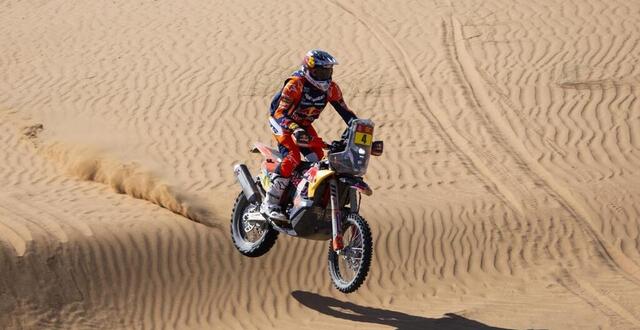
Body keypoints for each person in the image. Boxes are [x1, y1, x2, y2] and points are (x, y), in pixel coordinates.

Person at [261, 49, 357, 221]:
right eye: (320, 71)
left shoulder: (331, 89)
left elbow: (346, 113)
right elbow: (280, 113)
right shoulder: (296, 84)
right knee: (292, 156)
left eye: (328, 71)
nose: (325, 75)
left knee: (317, 160)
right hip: (282, 121)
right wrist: (294, 128)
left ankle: (295, 193)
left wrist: (360, 128)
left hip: (303, 124)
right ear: (309, 69)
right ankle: (270, 202)